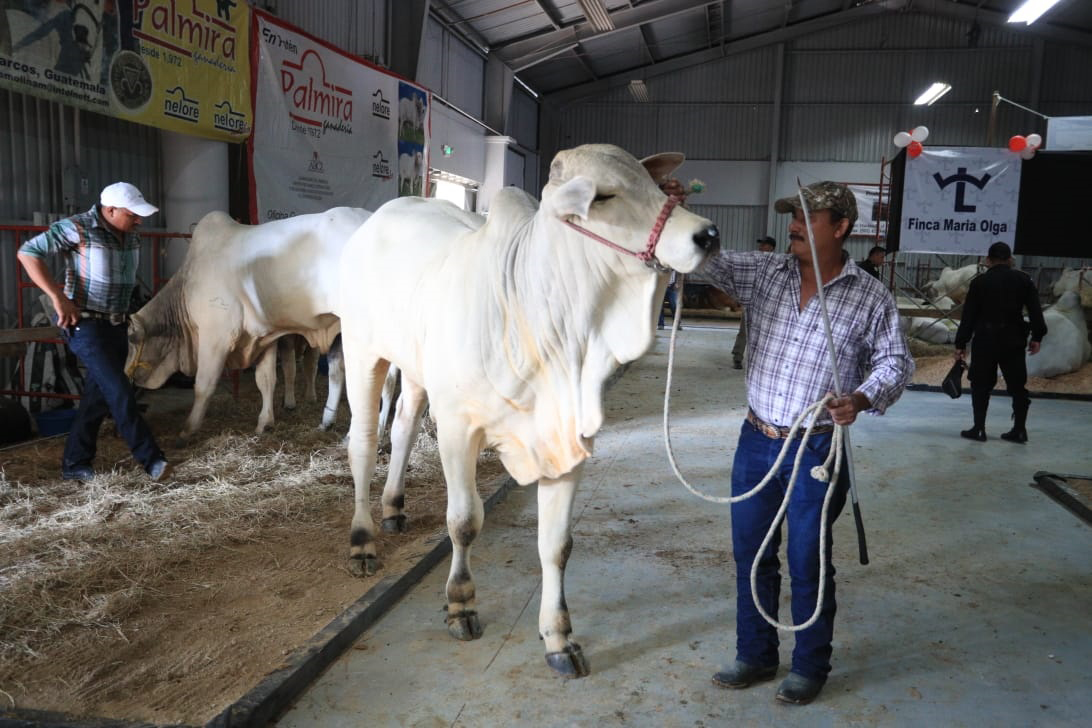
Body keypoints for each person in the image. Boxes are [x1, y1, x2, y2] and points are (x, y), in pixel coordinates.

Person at [700, 181, 914, 705]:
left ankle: (810, 665)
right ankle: (755, 654)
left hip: (816, 450)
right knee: (751, 554)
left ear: (840, 228)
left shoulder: (869, 295)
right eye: (792, 215)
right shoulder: (764, 272)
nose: (792, 225)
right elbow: (702, 263)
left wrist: (862, 398)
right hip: (756, 441)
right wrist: (670, 206)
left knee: (807, 559)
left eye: (806, 217)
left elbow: (896, 362)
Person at [17, 182, 170, 482]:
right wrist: (58, 297)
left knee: (97, 398)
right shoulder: (78, 227)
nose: (138, 220)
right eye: (132, 214)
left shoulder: (130, 234)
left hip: (117, 324)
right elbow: (28, 253)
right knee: (119, 390)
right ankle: (152, 461)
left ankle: (74, 463)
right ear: (110, 210)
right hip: (84, 324)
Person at [953, 241, 1046, 443]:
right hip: (1014, 340)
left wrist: (961, 344)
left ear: (988, 260)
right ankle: (1019, 430)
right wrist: (1037, 337)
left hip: (985, 340)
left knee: (980, 385)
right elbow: (1036, 312)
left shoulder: (979, 282)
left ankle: (979, 429)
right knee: (1017, 385)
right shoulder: (1024, 280)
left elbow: (968, 316)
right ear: (1010, 259)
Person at [731, 236, 777, 368]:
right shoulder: (754, 261)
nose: (761, 246)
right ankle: (737, 357)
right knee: (744, 330)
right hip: (752, 300)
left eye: (764, 244)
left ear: (771, 248)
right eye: (760, 244)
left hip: (768, 303)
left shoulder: (777, 263)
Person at [657, 178, 690, 330]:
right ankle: (660, 324)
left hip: (670, 284)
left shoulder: (673, 252)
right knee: (659, 307)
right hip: (659, 283)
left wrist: (677, 282)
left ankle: (677, 324)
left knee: (674, 304)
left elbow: (678, 266)